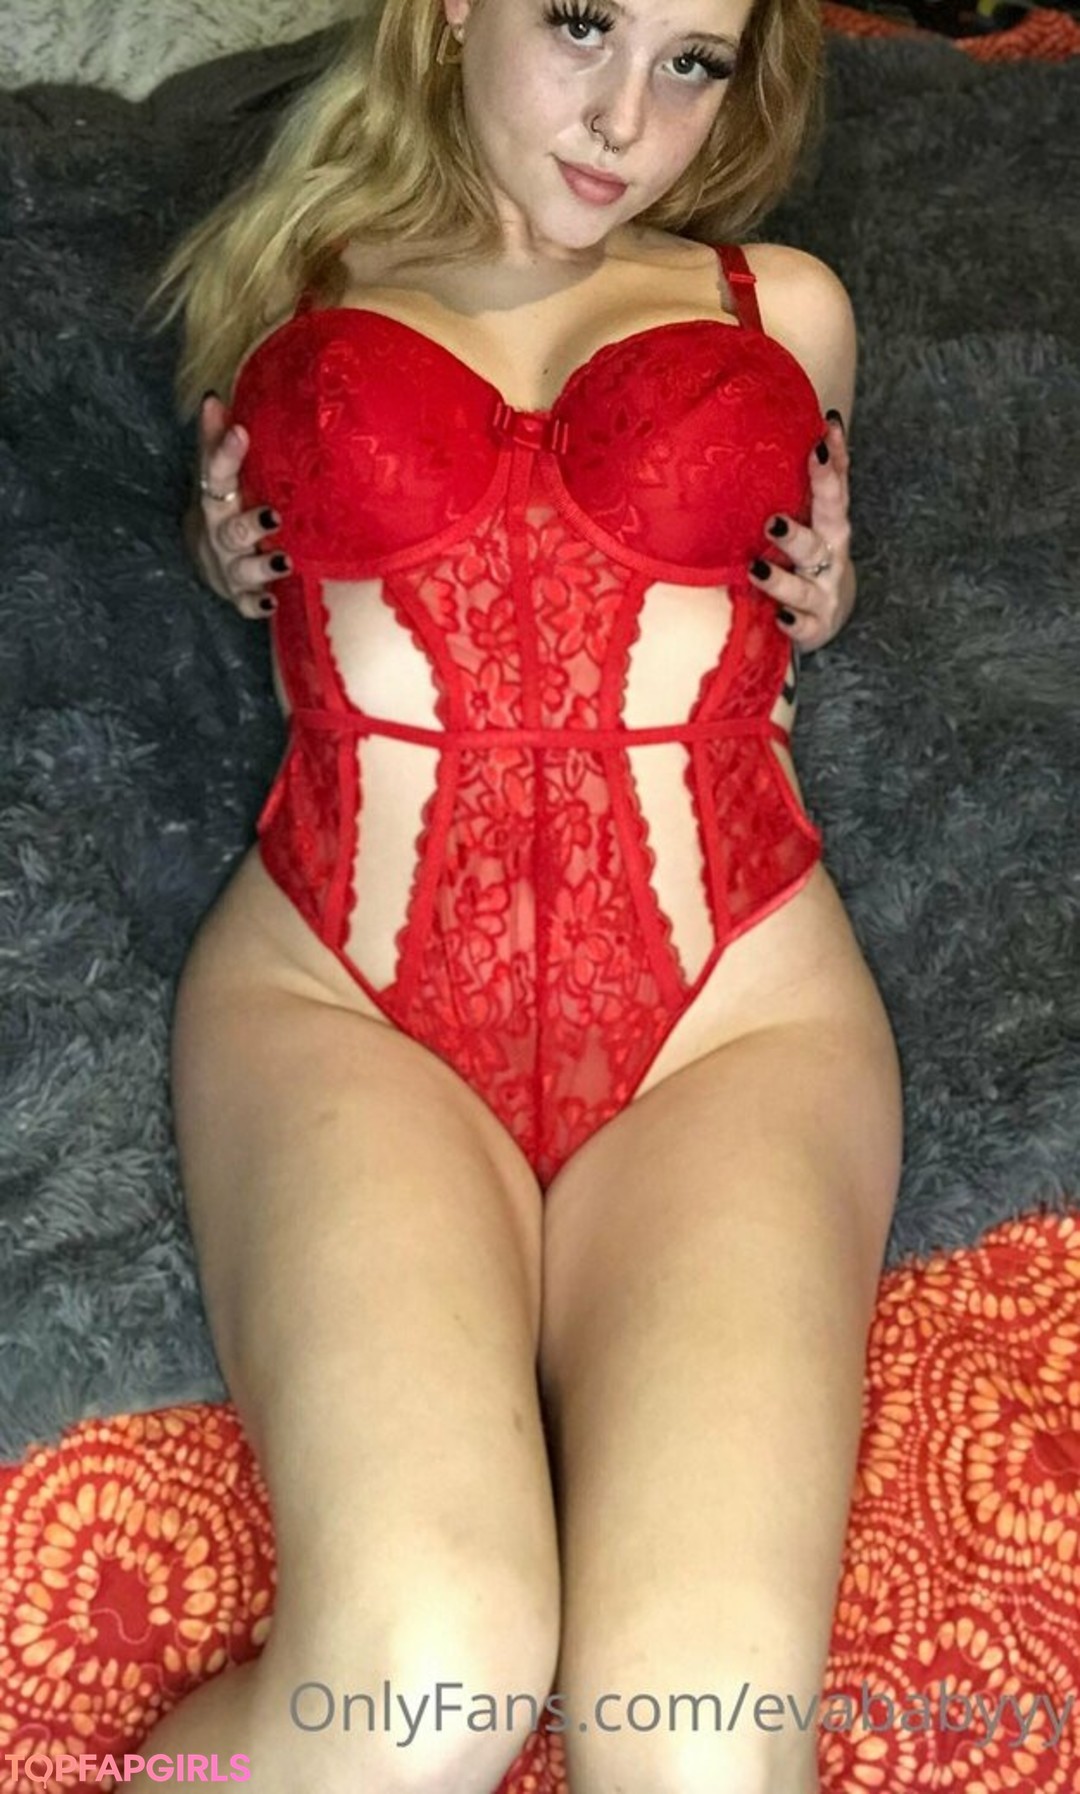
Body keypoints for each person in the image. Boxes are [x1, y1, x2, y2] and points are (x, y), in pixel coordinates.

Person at [134, 1, 904, 1790]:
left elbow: (780, 615)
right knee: (426, 1675)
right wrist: (218, 547)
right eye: (579, 23)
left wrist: (833, 594)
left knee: (700, 1744)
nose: (627, 116)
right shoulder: (299, 281)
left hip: (732, 1025)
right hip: (346, 1005)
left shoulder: (782, 307)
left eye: (692, 62)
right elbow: (272, 566)